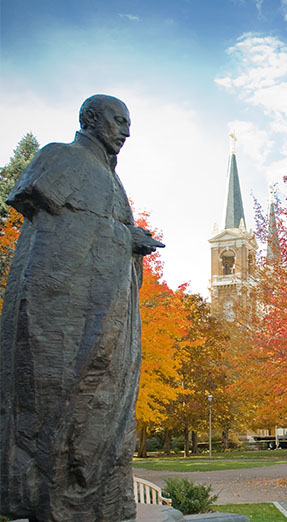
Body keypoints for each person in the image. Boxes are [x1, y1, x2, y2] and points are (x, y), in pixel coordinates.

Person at [0, 95, 163, 521]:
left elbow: (102, 228)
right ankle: (59, 501)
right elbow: (53, 229)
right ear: (90, 119)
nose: (126, 131)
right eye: (118, 121)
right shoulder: (60, 158)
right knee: (62, 410)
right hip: (64, 319)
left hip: (111, 313)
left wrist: (130, 237)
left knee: (110, 408)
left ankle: (101, 502)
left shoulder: (113, 182)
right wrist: (123, 237)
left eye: (129, 123)